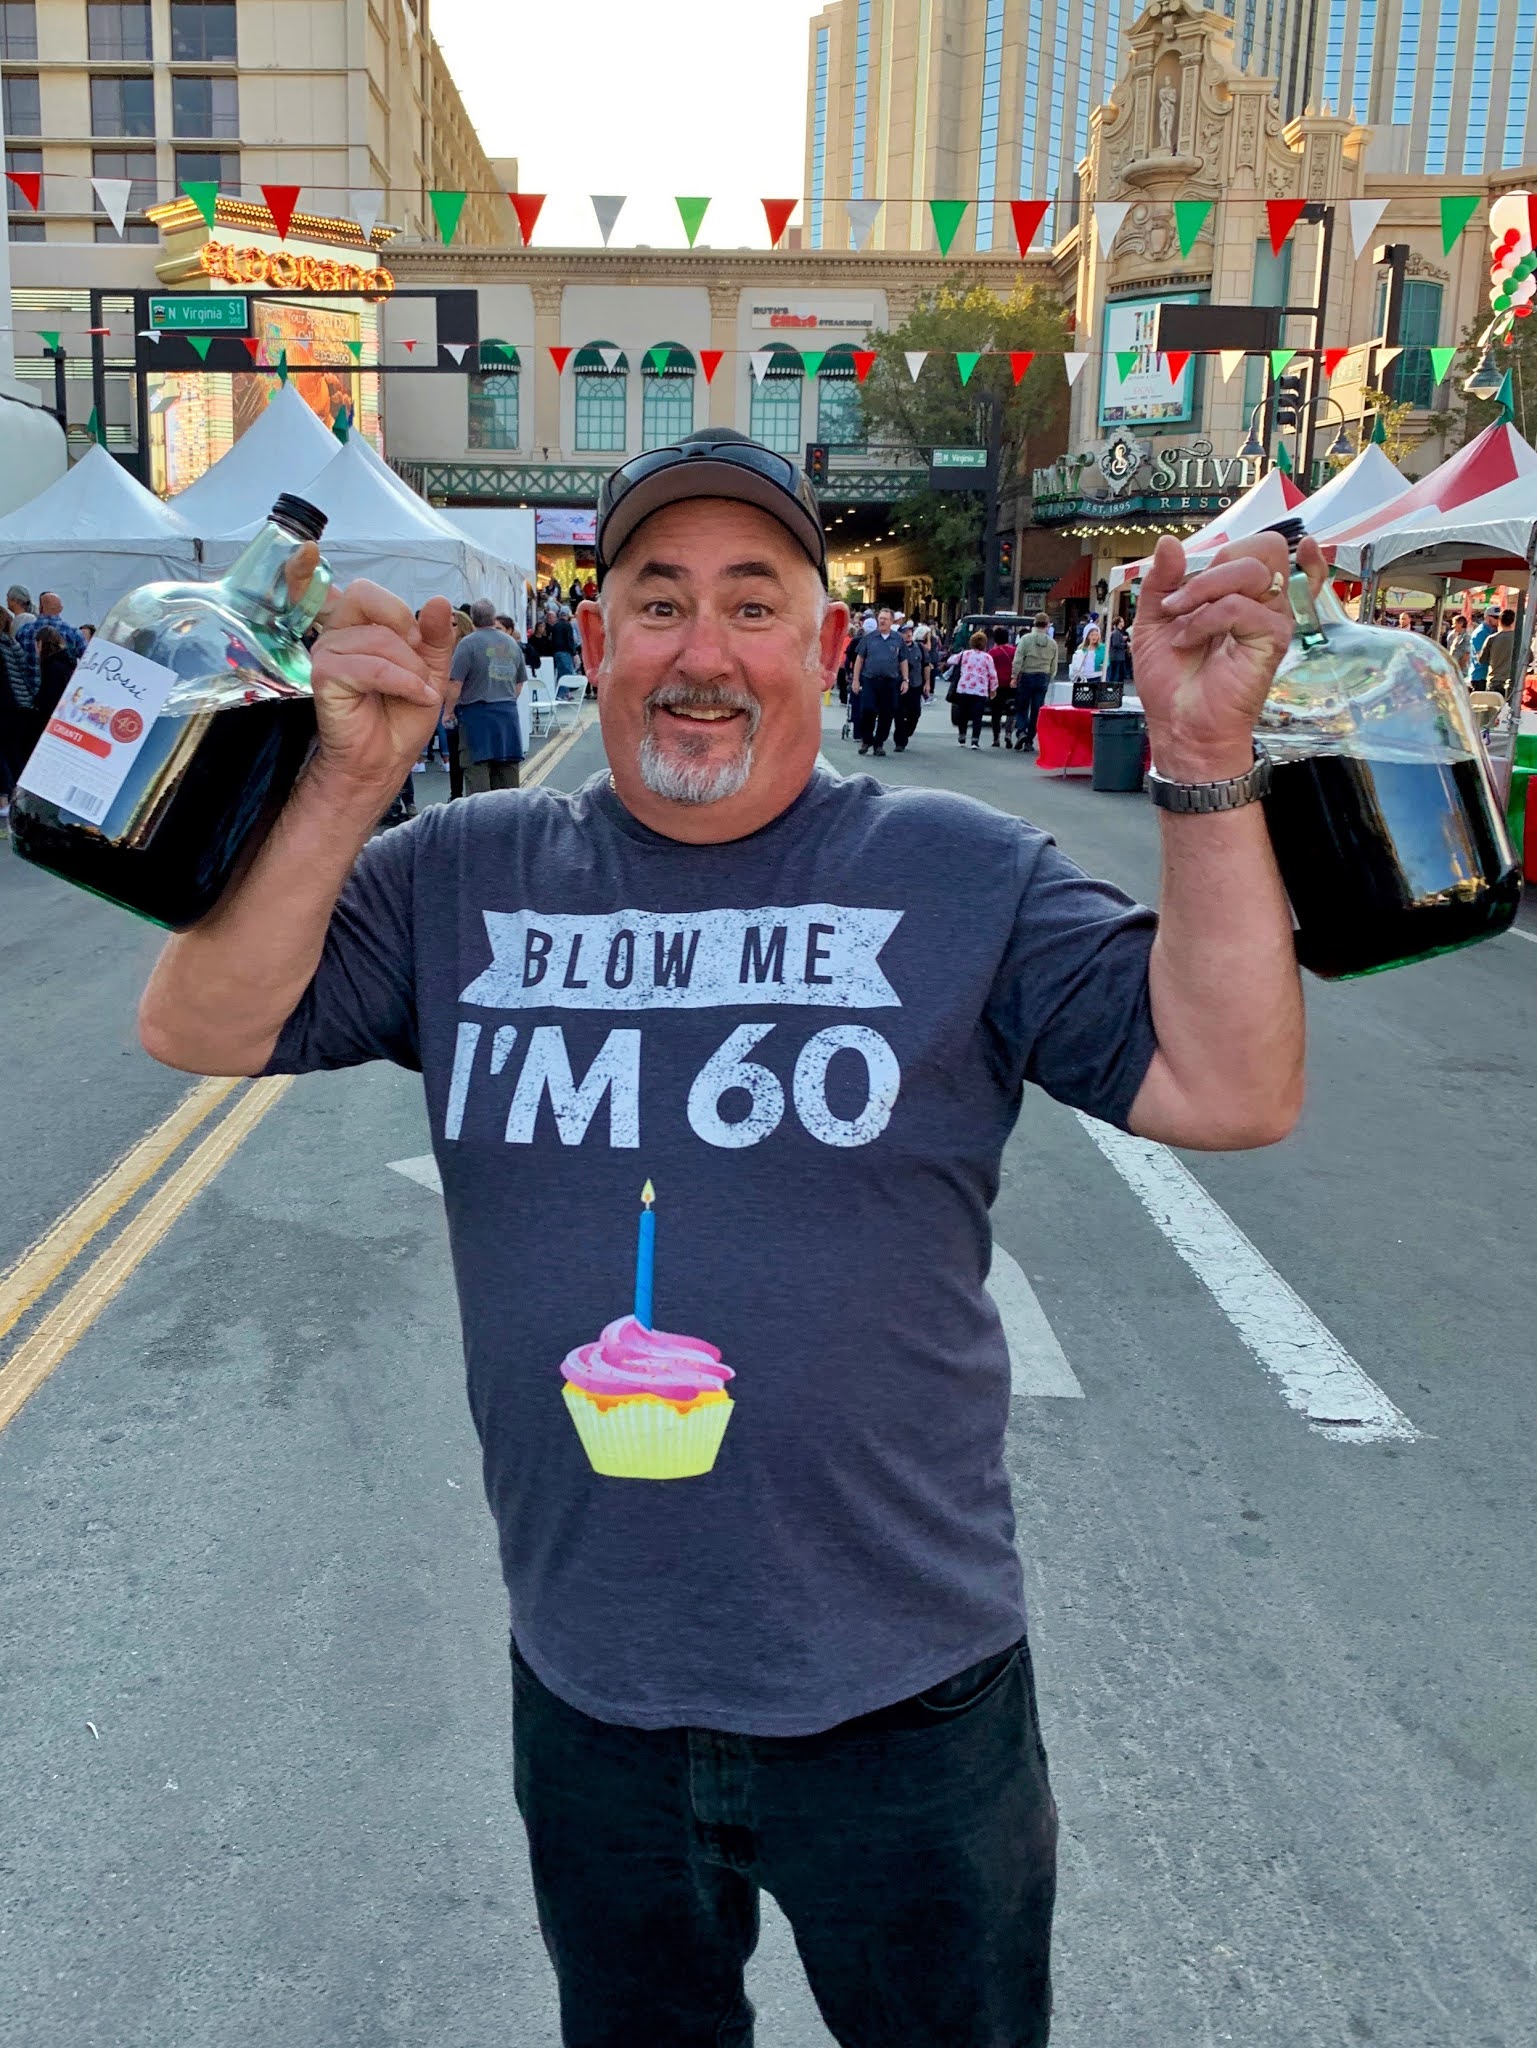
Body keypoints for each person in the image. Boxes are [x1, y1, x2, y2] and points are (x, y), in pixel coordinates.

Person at [134, 423, 1315, 2048]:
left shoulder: (956, 872)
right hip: (594, 1696)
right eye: (658, 601)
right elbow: (200, 1021)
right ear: (594, 633)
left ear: (825, 648)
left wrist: (1201, 765)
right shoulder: (462, 880)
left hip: (909, 1707)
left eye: (753, 603)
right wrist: (345, 778)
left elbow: (1230, 1082)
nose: (703, 651)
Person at [450, 599, 528, 793]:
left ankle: (482, 821)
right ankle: (509, 819)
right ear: (493, 618)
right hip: (507, 717)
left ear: (473, 619)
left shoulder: (467, 644)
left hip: (476, 716)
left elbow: (455, 683)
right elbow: (519, 683)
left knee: (478, 777)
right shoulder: (512, 643)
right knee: (507, 777)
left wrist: (448, 711)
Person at [851, 604, 904, 757]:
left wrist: (905, 679)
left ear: (892, 622)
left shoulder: (897, 639)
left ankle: (879, 743)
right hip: (870, 680)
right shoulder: (869, 638)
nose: (882, 621)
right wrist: (856, 679)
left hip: (890, 681)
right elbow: (859, 659)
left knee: (887, 714)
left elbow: (903, 660)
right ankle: (866, 739)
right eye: (880, 618)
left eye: (885, 619)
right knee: (868, 710)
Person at [1010, 614, 1057, 753]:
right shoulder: (1052, 643)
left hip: (1027, 675)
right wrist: (1049, 676)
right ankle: (1030, 740)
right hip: (1043, 676)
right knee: (1037, 709)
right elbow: (1053, 666)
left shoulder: (1025, 639)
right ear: (1047, 625)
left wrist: (1014, 676)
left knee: (1022, 706)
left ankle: (1021, 731)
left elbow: (1018, 659)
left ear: (1034, 624)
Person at [954, 628, 996, 746]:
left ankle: (962, 736)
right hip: (980, 690)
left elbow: (951, 660)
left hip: (964, 687)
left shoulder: (964, 654)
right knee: (977, 716)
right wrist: (993, 689)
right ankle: (975, 740)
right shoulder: (987, 657)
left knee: (963, 714)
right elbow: (992, 675)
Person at [894, 619, 931, 750]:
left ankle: (907, 731)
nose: (908, 634)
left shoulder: (920, 648)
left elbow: (926, 666)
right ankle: (900, 741)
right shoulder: (896, 648)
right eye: (905, 632)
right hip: (899, 685)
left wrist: (927, 683)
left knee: (915, 713)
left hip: (916, 685)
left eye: (910, 632)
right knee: (898, 713)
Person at [987, 625, 1017, 748]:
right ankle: (1008, 733)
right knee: (1011, 710)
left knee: (996, 712)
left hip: (996, 685)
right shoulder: (1014, 651)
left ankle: (996, 738)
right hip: (1011, 684)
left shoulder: (992, 653)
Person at [1484, 607, 1519, 699]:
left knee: (1493, 710)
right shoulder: (1518, 639)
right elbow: (1529, 658)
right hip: (1512, 681)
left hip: (1494, 680)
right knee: (1510, 711)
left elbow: (1482, 659)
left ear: (1500, 620)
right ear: (1512, 621)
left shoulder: (1491, 639)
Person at [1469, 603, 1503, 687]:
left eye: (1499, 618)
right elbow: (1481, 655)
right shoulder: (1481, 633)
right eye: (1495, 618)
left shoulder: (1494, 631)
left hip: (1489, 676)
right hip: (1480, 677)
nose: (1498, 620)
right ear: (1487, 617)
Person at [1069, 622, 1106, 693]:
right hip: (1084, 677)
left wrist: (1104, 664)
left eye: (1096, 635)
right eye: (1092, 635)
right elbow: (1076, 664)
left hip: (1097, 676)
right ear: (1087, 636)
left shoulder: (1101, 648)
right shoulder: (1082, 648)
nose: (1094, 637)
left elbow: (1106, 661)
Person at [550, 605, 581, 682]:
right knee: (567, 674)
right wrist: (574, 653)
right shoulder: (568, 625)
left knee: (560, 674)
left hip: (556, 653)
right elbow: (570, 640)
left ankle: (560, 692)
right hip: (565, 653)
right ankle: (564, 693)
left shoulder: (555, 625)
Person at [1107, 616, 1133, 692]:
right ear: (1118, 623)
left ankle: (1117, 690)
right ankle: (1114, 690)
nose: (1123, 623)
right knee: (1116, 675)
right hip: (1116, 657)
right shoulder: (1116, 633)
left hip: (1119, 657)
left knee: (1119, 675)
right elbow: (1116, 644)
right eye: (1122, 621)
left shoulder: (1118, 632)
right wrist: (1126, 645)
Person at [1445, 614, 1473, 678]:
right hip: (1453, 669)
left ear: (1461, 624)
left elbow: (1466, 655)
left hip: (1461, 671)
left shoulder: (1466, 637)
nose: (1453, 626)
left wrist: (1458, 670)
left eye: (1455, 624)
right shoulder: (1454, 636)